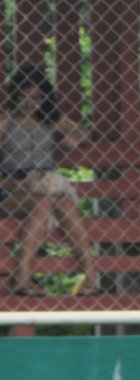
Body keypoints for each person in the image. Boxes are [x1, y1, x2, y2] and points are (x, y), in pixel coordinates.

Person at [0, 64, 97, 295]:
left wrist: (71, 140)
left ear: (44, 98)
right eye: (23, 97)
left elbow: (84, 131)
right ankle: (22, 277)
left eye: (35, 97)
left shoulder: (51, 120)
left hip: (46, 182)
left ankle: (91, 277)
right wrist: (10, 184)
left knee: (61, 200)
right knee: (45, 200)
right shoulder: (6, 123)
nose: (29, 103)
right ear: (15, 96)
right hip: (13, 189)